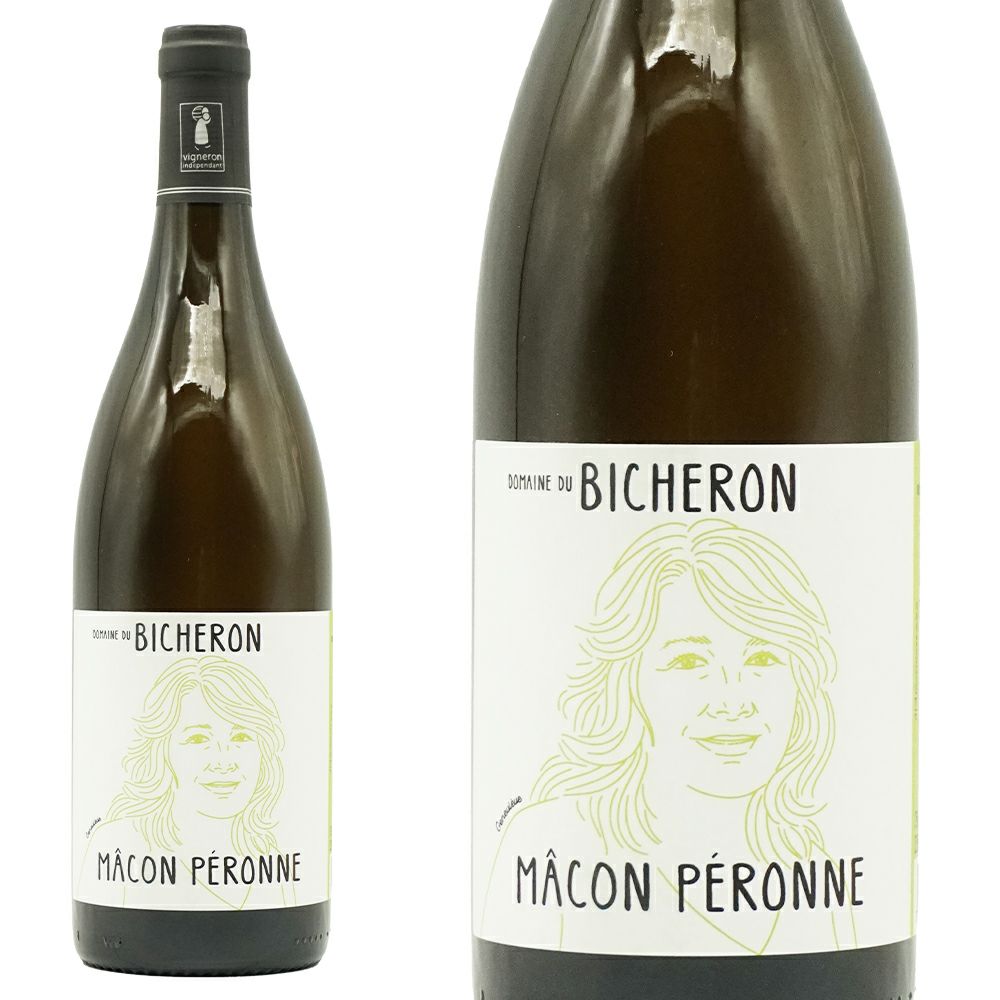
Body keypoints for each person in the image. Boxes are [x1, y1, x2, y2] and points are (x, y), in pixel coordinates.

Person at [481, 519, 856, 955]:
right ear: (627, 685)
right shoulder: (549, 842)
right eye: (689, 662)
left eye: (763, 658)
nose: (732, 701)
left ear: (801, 682)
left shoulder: (816, 870)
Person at [78, 655, 290, 910]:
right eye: (198, 739)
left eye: (241, 737)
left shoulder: (272, 859)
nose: (223, 761)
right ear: (162, 752)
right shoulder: (116, 843)